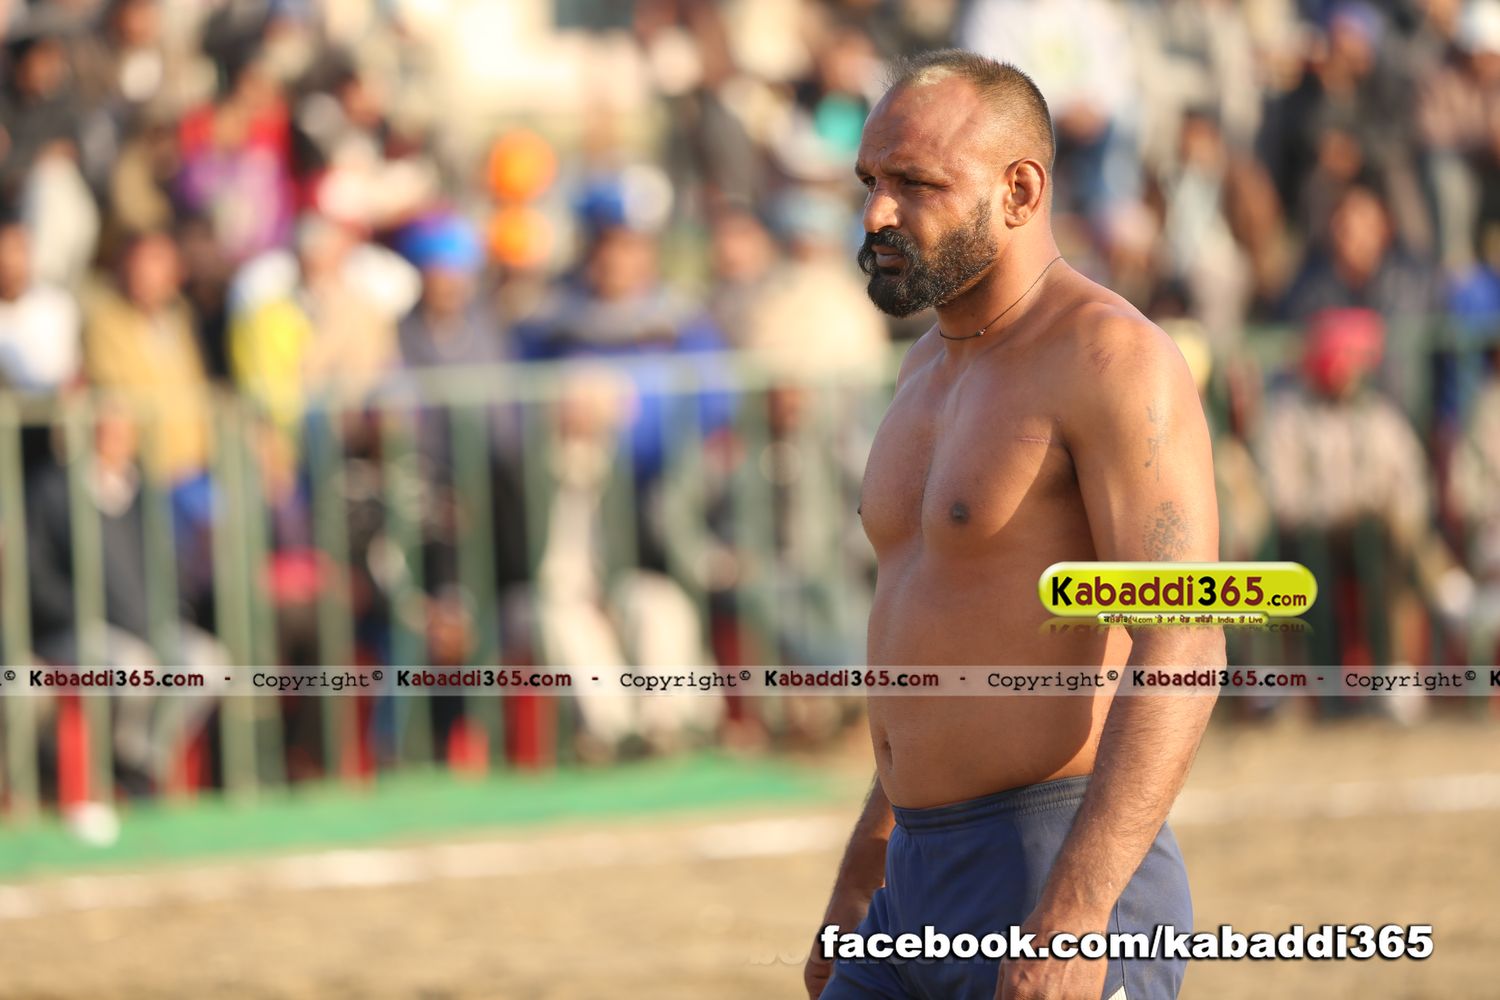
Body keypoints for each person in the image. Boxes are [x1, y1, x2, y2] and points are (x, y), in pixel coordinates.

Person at [806, 51, 1224, 1000]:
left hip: (1052, 868)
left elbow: (1185, 644)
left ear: (1020, 191)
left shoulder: (1111, 359)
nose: (875, 214)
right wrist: (862, 875)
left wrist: (1076, 914)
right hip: (909, 879)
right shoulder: (923, 368)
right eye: (870, 181)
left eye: (916, 184)